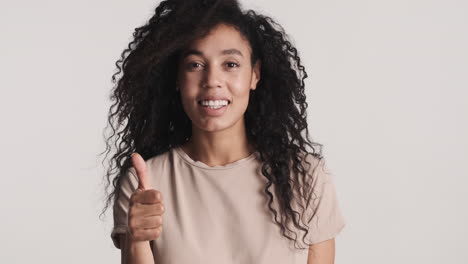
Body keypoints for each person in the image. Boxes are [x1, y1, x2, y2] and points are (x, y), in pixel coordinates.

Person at [100, 0, 346, 263]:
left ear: (255, 75)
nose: (212, 81)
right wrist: (137, 241)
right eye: (195, 64)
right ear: (176, 79)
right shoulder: (144, 183)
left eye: (230, 64)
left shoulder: (304, 178)